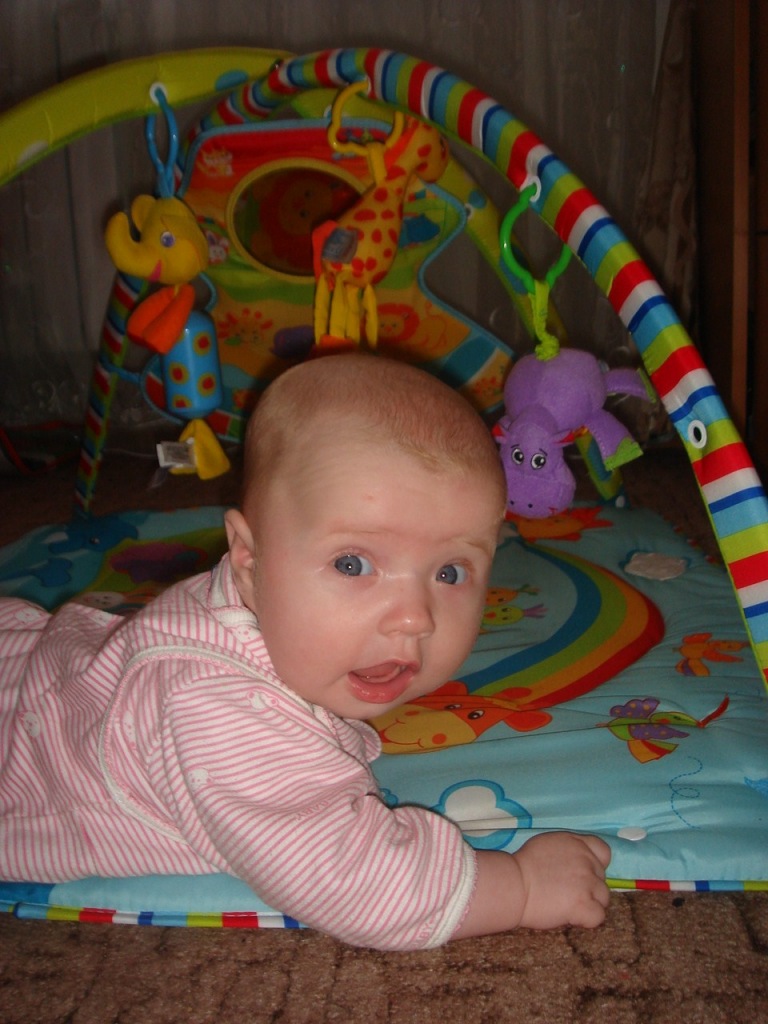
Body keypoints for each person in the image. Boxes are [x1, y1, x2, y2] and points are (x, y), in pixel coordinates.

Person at [0, 354, 610, 950]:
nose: (414, 618)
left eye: (450, 572)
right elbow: (355, 882)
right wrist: (521, 887)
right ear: (249, 561)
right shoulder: (221, 714)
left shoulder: (271, 618)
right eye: (353, 564)